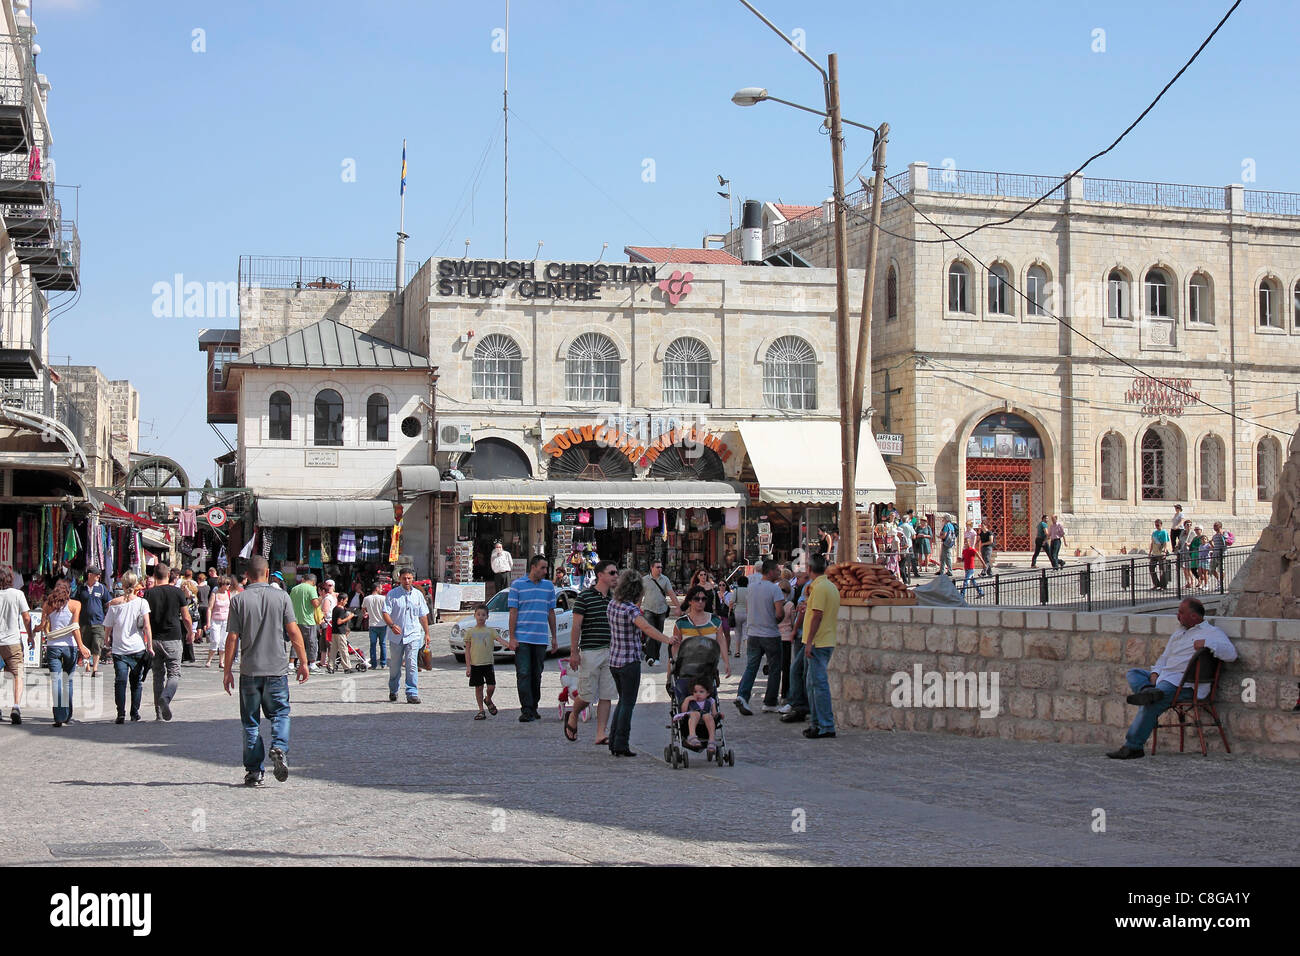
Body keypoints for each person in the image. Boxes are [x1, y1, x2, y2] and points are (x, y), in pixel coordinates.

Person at [1106, 598, 1237, 759]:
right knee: (1134, 673)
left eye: (1181, 613)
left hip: (1184, 685)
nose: (1177, 616)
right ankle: (1148, 690)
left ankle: (1133, 746)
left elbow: (1231, 654)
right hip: (1164, 678)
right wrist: (1155, 674)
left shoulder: (1212, 633)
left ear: (1194, 617)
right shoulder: (1179, 633)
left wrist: (1207, 643)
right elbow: (1164, 658)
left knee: (1151, 705)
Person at [223, 556, 309, 787]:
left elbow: (232, 637)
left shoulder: (238, 600)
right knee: (280, 713)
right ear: (268, 572)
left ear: (247, 575)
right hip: (276, 670)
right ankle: (279, 746)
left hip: (250, 671)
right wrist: (303, 661)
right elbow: (293, 631)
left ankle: (254, 772)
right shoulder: (281, 597)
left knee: (251, 722)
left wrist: (227, 670)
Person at [605, 570, 677, 757]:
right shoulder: (631, 610)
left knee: (622, 701)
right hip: (629, 661)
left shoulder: (613, 604)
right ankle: (621, 743)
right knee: (628, 703)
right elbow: (645, 627)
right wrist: (666, 639)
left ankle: (613, 740)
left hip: (614, 660)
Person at [567, 559, 618, 744]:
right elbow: (576, 626)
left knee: (607, 694)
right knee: (587, 695)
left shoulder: (615, 599)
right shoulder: (585, 597)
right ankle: (573, 714)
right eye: (612, 573)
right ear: (600, 575)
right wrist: (574, 652)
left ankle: (600, 733)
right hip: (590, 652)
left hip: (611, 652)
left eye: (616, 573)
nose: (615, 576)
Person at [508, 555, 558, 722]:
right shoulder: (517, 586)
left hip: (540, 638)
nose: (545, 571)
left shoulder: (548, 587)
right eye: (542, 568)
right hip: (522, 638)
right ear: (533, 567)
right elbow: (513, 612)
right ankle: (526, 709)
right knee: (523, 673)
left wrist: (554, 637)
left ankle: (534, 706)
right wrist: (512, 637)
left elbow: (551, 612)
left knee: (537, 674)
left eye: (546, 568)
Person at [734, 560, 785, 716]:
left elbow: (749, 609)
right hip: (770, 633)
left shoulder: (751, 588)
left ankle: (742, 695)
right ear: (770, 571)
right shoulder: (775, 590)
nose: (779, 573)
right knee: (775, 668)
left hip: (753, 633)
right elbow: (779, 613)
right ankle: (770, 702)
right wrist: (777, 619)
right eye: (777, 570)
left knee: (752, 666)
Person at [102, 572, 152, 724]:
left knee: (120, 681)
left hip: (119, 650)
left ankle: (121, 713)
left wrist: (106, 641)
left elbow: (108, 627)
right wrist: (149, 645)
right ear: (136, 585)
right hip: (137, 648)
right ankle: (134, 712)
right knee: (136, 682)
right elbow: (147, 626)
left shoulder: (114, 604)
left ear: (122, 585)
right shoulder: (142, 603)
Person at [143, 564, 191, 721]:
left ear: (155, 576)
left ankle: (158, 713)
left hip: (155, 639)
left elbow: (146, 619)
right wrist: (190, 632)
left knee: (158, 675)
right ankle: (166, 696)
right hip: (173, 637)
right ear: (169, 574)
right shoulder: (177, 592)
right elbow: (186, 616)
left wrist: (147, 640)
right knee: (174, 673)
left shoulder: (149, 593)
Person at [801, 552, 840, 739]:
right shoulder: (829, 586)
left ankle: (825, 725)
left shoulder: (819, 588)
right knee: (812, 684)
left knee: (819, 684)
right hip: (825, 639)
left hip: (818, 642)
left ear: (809, 569)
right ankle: (816, 723)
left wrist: (809, 642)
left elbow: (817, 615)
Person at [42, 580, 88, 728]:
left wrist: (34, 631)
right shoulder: (75, 605)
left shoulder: (48, 605)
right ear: (68, 592)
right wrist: (81, 647)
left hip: (53, 647)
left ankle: (59, 716)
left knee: (56, 681)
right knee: (68, 681)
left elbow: (43, 626)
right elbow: (75, 627)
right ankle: (67, 715)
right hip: (70, 647)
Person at [671, 583, 732, 692]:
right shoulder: (681, 623)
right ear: (689, 601)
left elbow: (721, 641)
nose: (700, 602)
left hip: (708, 668)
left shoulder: (715, 621)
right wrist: (669, 674)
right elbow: (675, 648)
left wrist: (726, 662)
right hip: (687, 668)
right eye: (697, 599)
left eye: (703, 599)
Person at [383, 568, 431, 704]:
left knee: (412, 664)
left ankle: (412, 692)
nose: (407, 581)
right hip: (396, 636)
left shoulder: (418, 595)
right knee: (395, 666)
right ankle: (393, 689)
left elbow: (423, 615)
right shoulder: (392, 594)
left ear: (413, 579)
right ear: (400, 579)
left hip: (413, 634)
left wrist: (427, 633)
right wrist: (392, 625)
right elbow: (385, 612)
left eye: (409, 578)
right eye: (404, 578)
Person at [0, 566, 34, 725]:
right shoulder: (17, 594)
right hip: (12, 642)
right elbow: (27, 618)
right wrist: (31, 636)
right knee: (18, 674)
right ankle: (15, 706)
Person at [463, 604, 507, 720]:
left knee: (491, 686)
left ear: (487, 616)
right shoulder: (470, 632)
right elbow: (467, 650)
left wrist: (510, 645)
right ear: (475, 616)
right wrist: (468, 667)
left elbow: (500, 640)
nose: (481, 617)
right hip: (476, 665)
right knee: (478, 687)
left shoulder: (490, 631)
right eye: (478, 614)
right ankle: (481, 710)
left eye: (483, 615)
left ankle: (488, 699)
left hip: (488, 664)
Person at [639, 560, 678, 666]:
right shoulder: (645, 580)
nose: (660, 569)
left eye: (661, 567)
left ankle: (656, 657)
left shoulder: (665, 579)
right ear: (652, 568)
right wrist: (637, 608)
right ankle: (651, 656)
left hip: (661, 610)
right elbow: (640, 596)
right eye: (657, 567)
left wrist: (678, 606)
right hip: (649, 609)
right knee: (650, 634)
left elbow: (671, 594)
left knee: (659, 634)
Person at [75, 568, 111, 678]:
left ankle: (95, 668)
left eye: (99, 575)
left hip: (98, 622)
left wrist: (108, 618)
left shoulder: (102, 588)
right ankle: (87, 668)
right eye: (96, 575)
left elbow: (108, 603)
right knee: (85, 646)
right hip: (84, 622)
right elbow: (76, 603)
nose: (98, 577)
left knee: (97, 644)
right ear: (90, 575)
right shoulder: (81, 588)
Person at [289, 569, 321, 671]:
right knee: (311, 642)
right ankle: (312, 663)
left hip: (296, 620)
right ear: (313, 582)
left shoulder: (294, 589)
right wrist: (321, 598)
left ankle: (291, 663)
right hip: (308, 620)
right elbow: (315, 604)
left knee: (296, 641)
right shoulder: (311, 589)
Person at [677, 681, 720, 753]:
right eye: (695, 692)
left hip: (705, 722)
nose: (698, 694)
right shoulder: (690, 700)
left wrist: (718, 715)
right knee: (695, 714)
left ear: (708, 693)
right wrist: (687, 700)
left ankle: (711, 739)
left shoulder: (710, 701)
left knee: (708, 716)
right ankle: (692, 736)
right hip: (692, 719)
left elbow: (714, 713)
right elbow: (683, 711)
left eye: (701, 692)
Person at [205, 576, 232, 667]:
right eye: (227, 584)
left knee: (223, 642)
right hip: (215, 620)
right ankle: (209, 660)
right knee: (215, 640)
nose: (229, 586)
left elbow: (231, 608)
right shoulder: (215, 594)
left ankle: (221, 661)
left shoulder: (228, 594)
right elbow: (209, 608)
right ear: (222, 585)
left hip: (226, 620)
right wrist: (208, 622)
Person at [363, 581, 388, 671]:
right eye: (381, 588)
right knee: (383, 644)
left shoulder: (366, 599)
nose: (382, 589)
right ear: (377, 588)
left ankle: (373, 664)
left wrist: (366, 613)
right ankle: (383, 663)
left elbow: (363, 609)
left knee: (373, 645)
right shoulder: (383, 598)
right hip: (383, 624)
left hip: (372, 624)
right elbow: (387, 610)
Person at [328, 595, 355, 672]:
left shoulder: (335, 609)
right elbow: (339, 621)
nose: (346, 602)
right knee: (343, 649)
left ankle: (330, 666)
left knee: (333, 650)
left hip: (334, 632)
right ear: (342, 600)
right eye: (346, 601)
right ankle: (347, 667)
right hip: (340, 632)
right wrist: (349, 617)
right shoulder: (341, 610)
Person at [729, 573, 749, 659]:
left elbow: (731, 602)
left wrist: (730, 611)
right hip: (747, 613)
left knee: (737, 633)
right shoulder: (749, 590)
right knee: (745, 633)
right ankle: (748, 650)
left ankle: (737, 651)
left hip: (737, 612)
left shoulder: (736, 591)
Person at [1149, 519, 1170, 590]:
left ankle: (1163, 585)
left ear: (1161, 524)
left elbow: (1166, 543)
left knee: (1162, 570)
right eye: (1155, 525)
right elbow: (1152, 543)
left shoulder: (1164, 532)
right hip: (1154, 553)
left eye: (1158, 525)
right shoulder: (1154, 533)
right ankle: (1156, 584)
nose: (1157, 526)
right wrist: (1149, 552)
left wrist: (1164, 551)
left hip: (1161, 553)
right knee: (1151, 569)